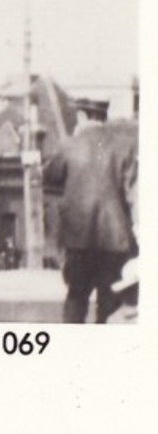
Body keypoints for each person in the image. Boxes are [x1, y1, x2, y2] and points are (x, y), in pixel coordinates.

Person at [42, 98, 138, 324]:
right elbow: (133, 192)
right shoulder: (124, 146)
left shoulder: (69, 144)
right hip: (115, 240)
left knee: (76, 298)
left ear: (82, 116)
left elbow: (50, 178)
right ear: (104, 116)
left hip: (78, 239)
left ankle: (74, 352)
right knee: (110, 301)